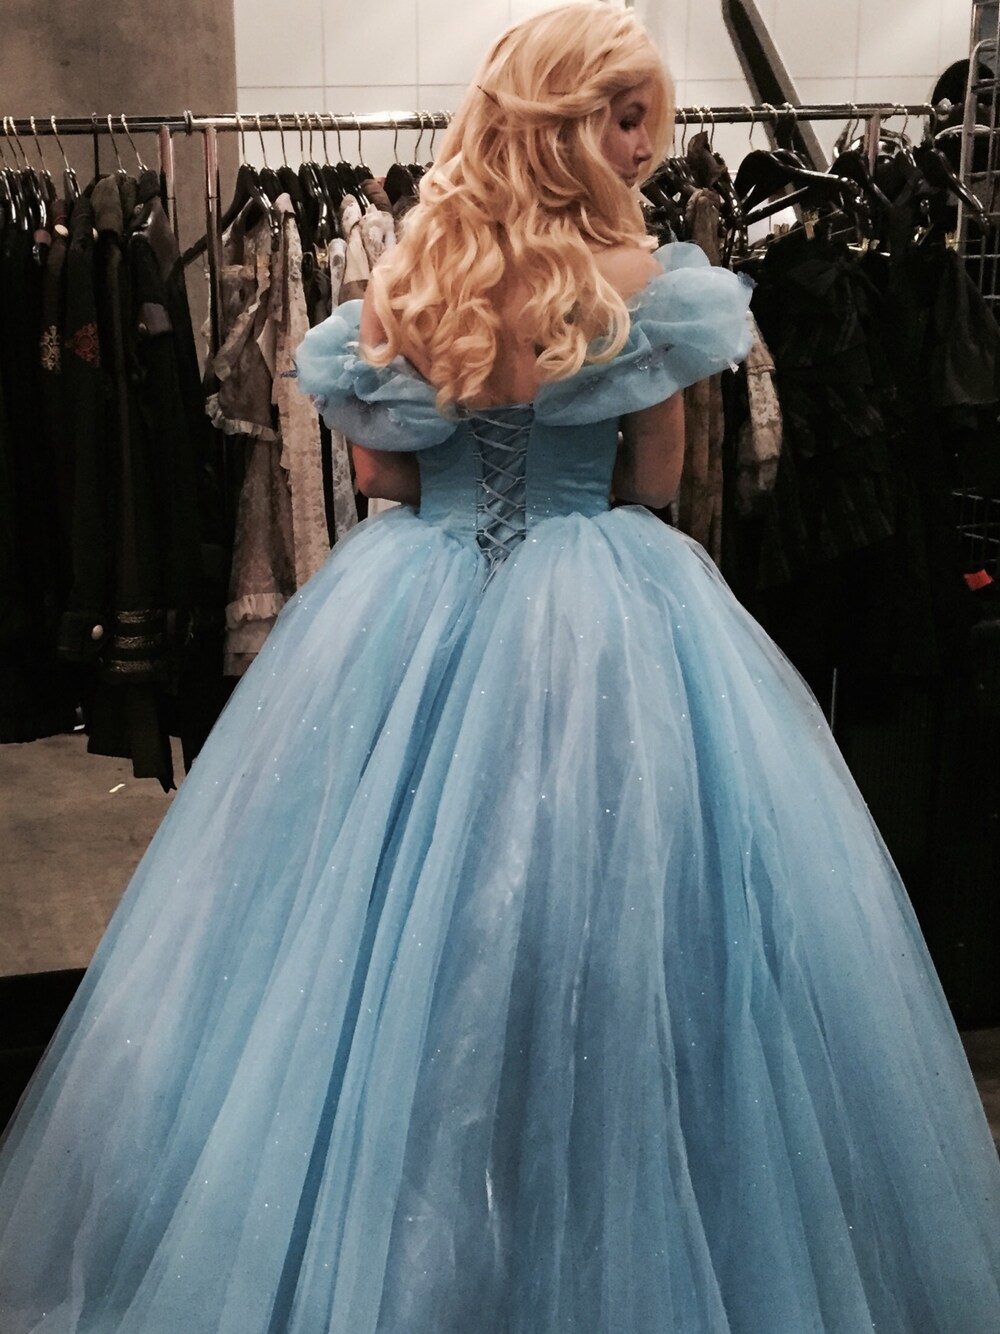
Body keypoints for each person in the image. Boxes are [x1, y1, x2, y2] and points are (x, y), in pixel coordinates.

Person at [1, 5, 999, 1330]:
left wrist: (471, 470)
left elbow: (378, 473)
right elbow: (657, 481)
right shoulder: (641, 279)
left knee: (383, 931)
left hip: (411, 605)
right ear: (565, 123)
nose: (645, 146)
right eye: (626, 119)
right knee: (618, 927)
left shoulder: (413, 278)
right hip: (609, 610)